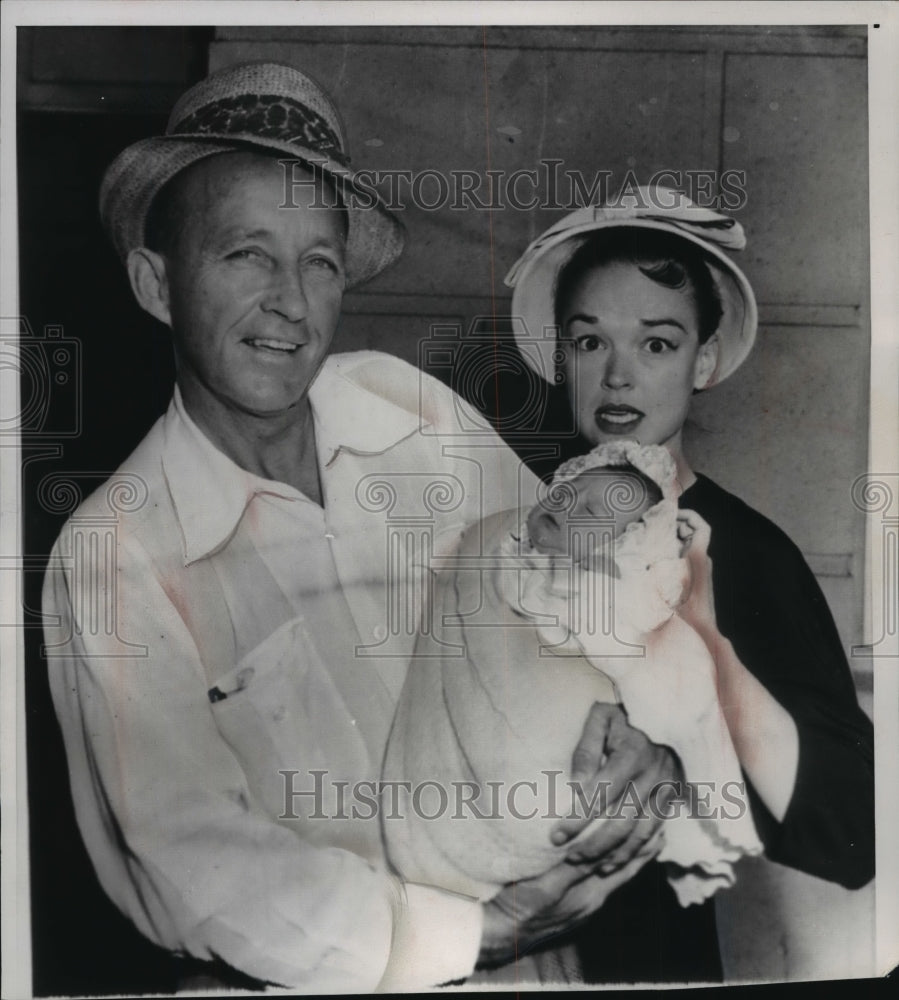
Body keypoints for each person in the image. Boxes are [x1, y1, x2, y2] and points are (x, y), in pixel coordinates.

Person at [42, 63, 681, 992]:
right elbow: (198, 863)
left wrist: (649, 735)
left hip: (538, 965)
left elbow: (583, 592)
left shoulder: (406, 409)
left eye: (320, 261)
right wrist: (477, 933)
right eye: (245, 254)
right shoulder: (115, 555)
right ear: (155, 284)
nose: (291, 303)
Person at [499, 190, 874, 981]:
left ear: (703, 360)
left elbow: (849, 832)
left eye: (657, 344)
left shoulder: (745, 552)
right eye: (589, 341)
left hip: (642, 960)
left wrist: (701, 628)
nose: (618, 375)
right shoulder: (506, 530)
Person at [383, 438, 764, 923]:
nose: (568, 508)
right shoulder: (506, 546)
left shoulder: (600, 586)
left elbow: (632, 647)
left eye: (590, 515)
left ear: (618, 547)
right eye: (569, 492)